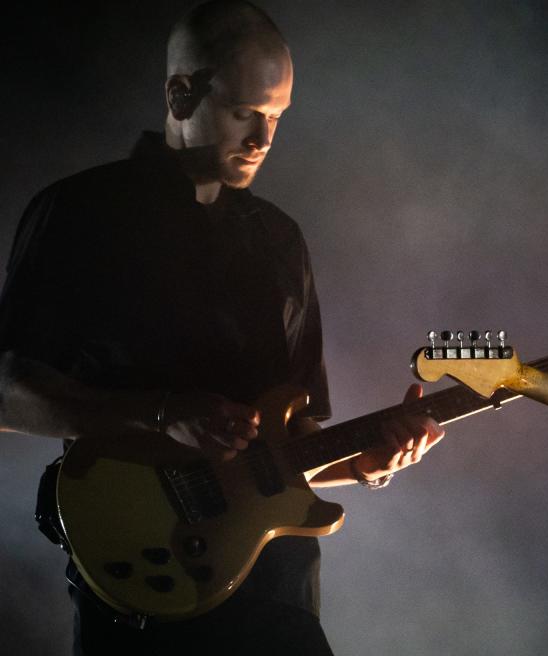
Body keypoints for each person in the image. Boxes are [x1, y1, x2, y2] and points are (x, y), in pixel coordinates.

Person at [0, 2, 444, 654]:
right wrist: (161, 414)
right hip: (142, 592)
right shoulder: (79, 214)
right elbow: (5, 390)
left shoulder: (281, 241)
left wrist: (368, 464)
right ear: (181, 94)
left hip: (278, 599)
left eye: (277, 117)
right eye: (245, 114)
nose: (263, 139)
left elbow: (292, 447)